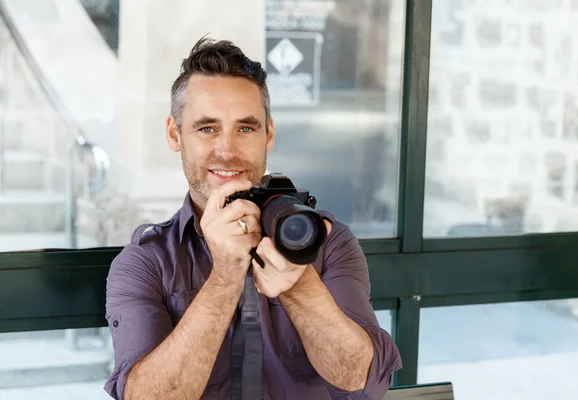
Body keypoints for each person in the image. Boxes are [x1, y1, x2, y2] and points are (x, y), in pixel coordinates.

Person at [103, 36, 402, 400]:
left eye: (245, 128)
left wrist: (300, 284)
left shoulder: (327, 240)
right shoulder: (145, 262)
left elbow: (363, 381)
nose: (227, 151)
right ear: (174, 133)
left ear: (268, 133)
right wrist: (224, 279)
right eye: (207, 128)